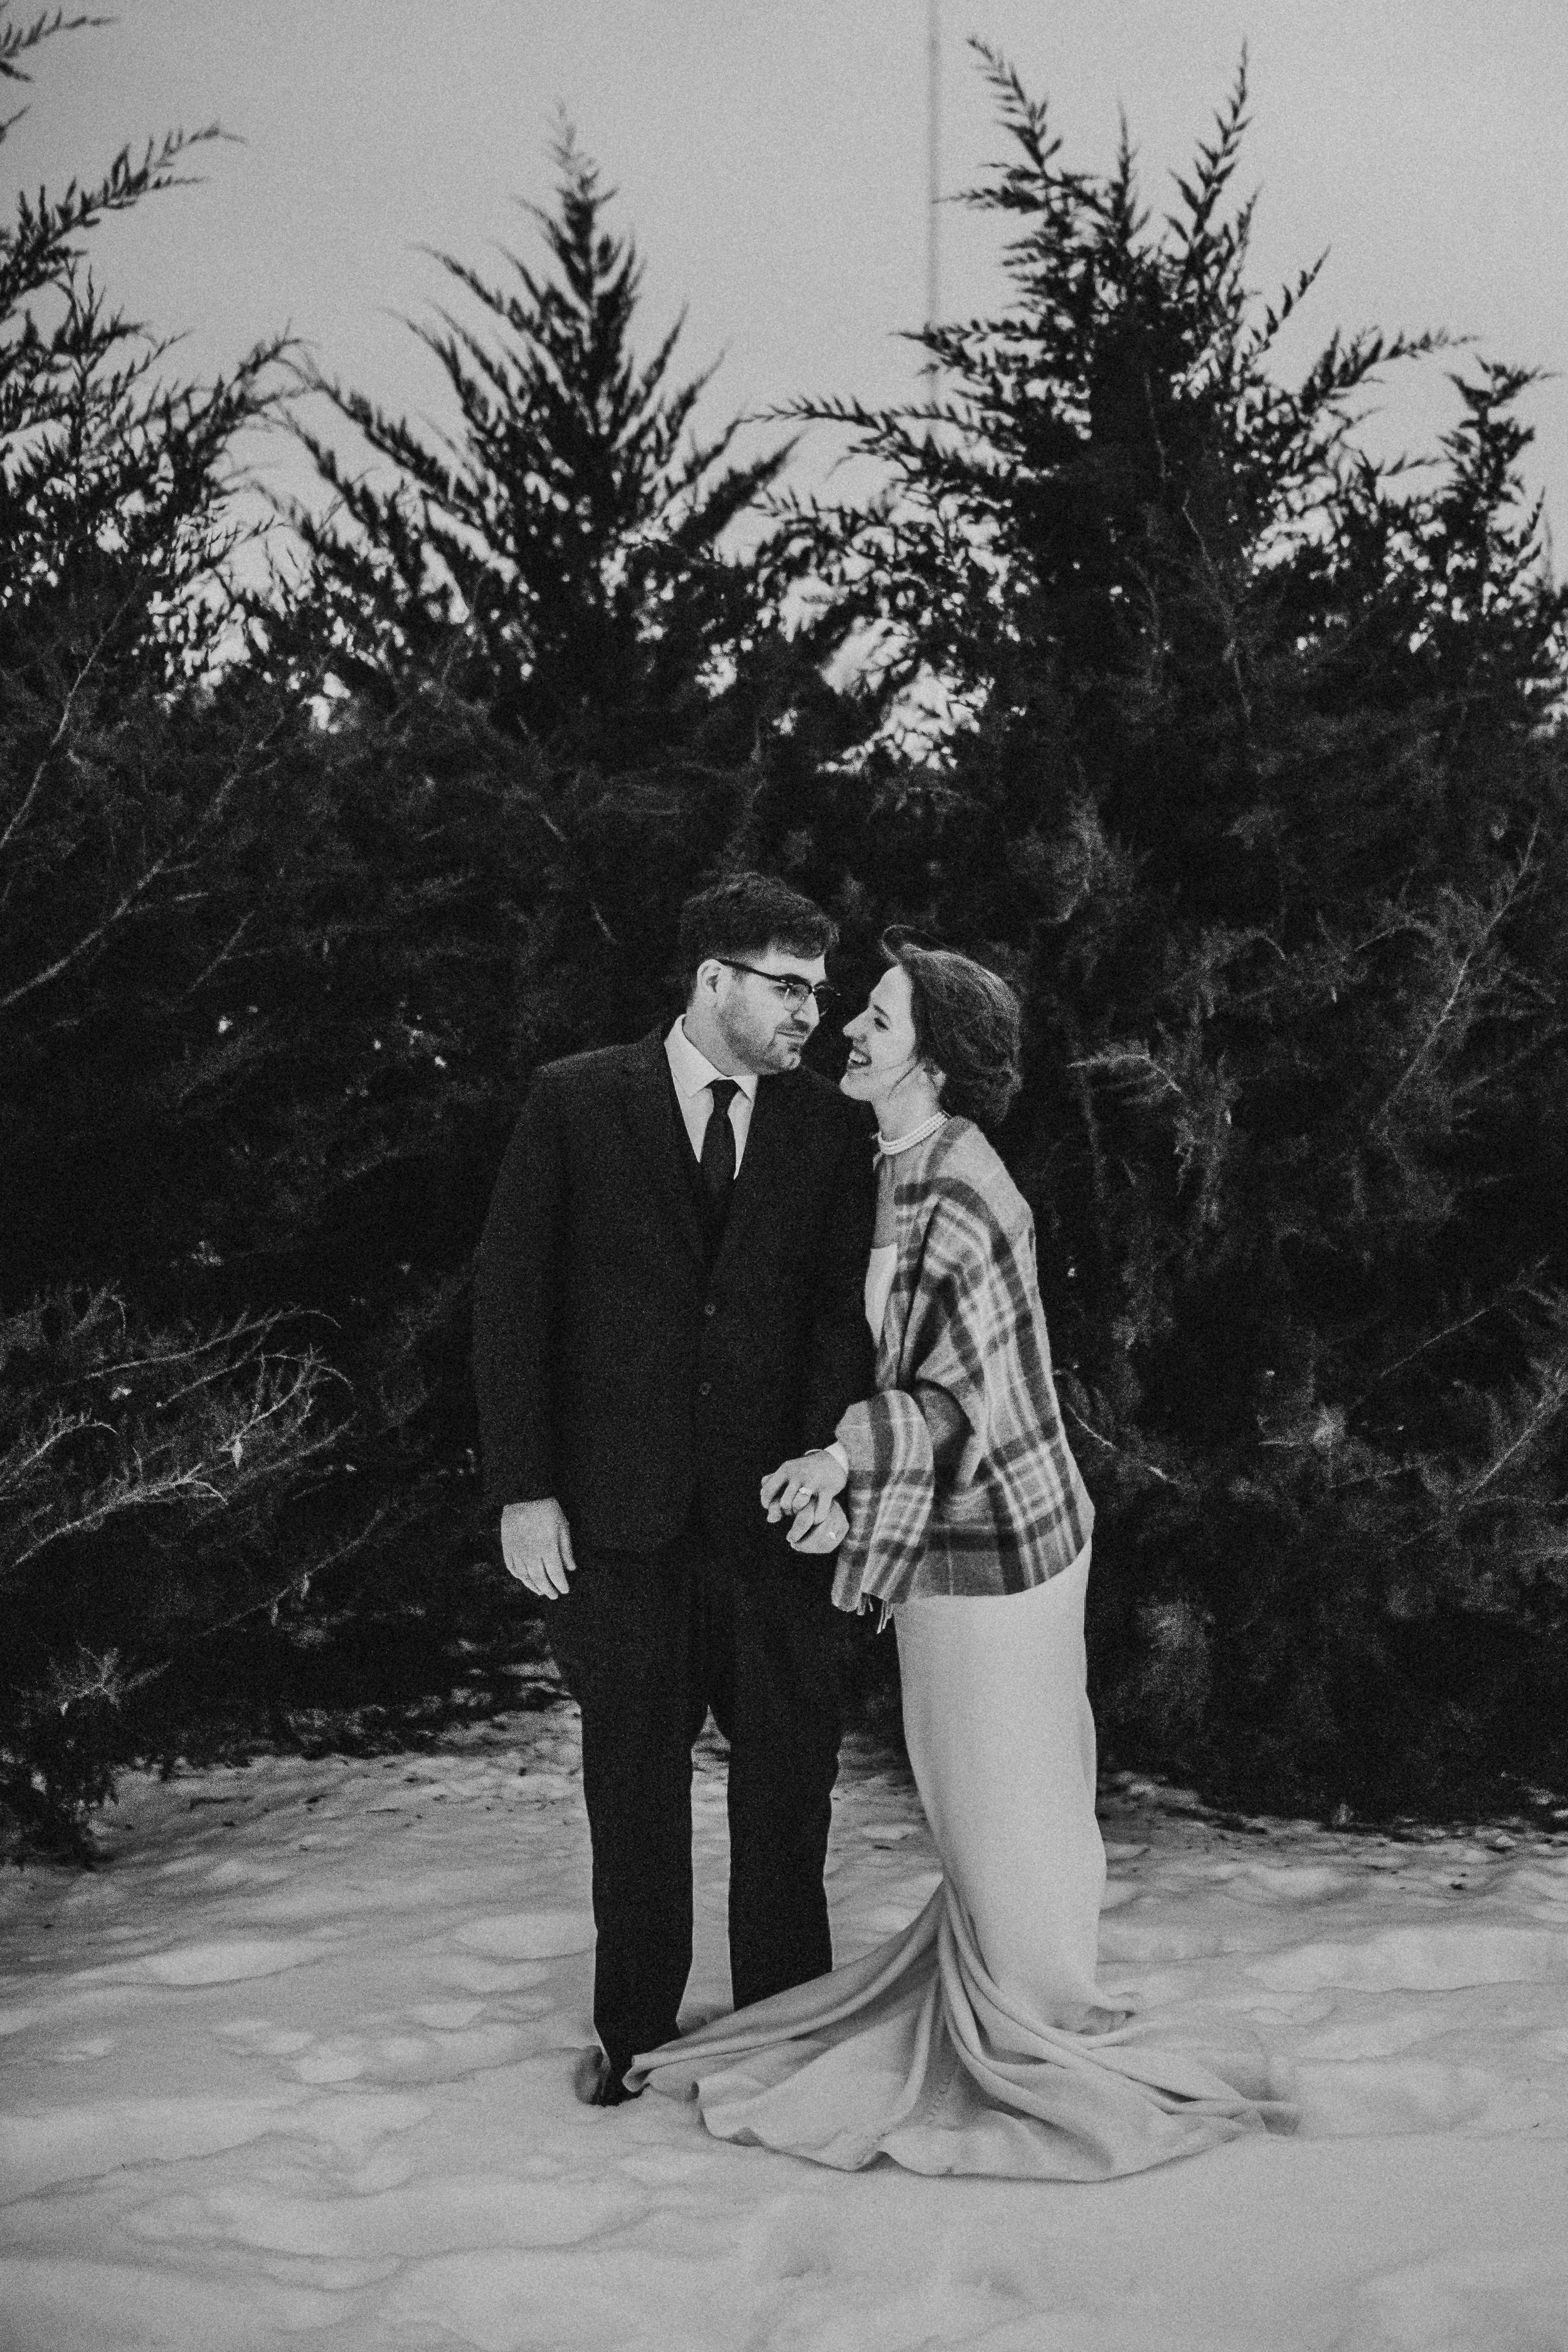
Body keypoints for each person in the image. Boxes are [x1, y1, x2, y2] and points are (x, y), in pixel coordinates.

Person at [630, 938, 1294, 2175]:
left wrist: (839, 1472)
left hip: (1002, 1552)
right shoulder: (891, 1162)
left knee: (1006, 1809)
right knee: (977, 1802)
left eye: (875, 1019)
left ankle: (1034, 2036)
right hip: (950, 1532)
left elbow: (958, 1405)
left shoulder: (964, 1193)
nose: (847, 1032)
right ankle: (1013, 1995)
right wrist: (845, 1486)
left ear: (930, 1060)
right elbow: (885, 1370)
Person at [472, 874, 876, 2106]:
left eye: (821, 987)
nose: (814, 1010)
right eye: (787, 985)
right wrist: (524, 1489)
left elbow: (834, 1325)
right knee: (632, 1784)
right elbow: (511, 1302)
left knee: (785, 1787)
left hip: (774, 1523)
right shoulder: (576, 1102)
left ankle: (781, 2033)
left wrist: (833, 1471)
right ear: (712, 981)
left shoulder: (823, 1129)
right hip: (621, 1519)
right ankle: (634, 2033)